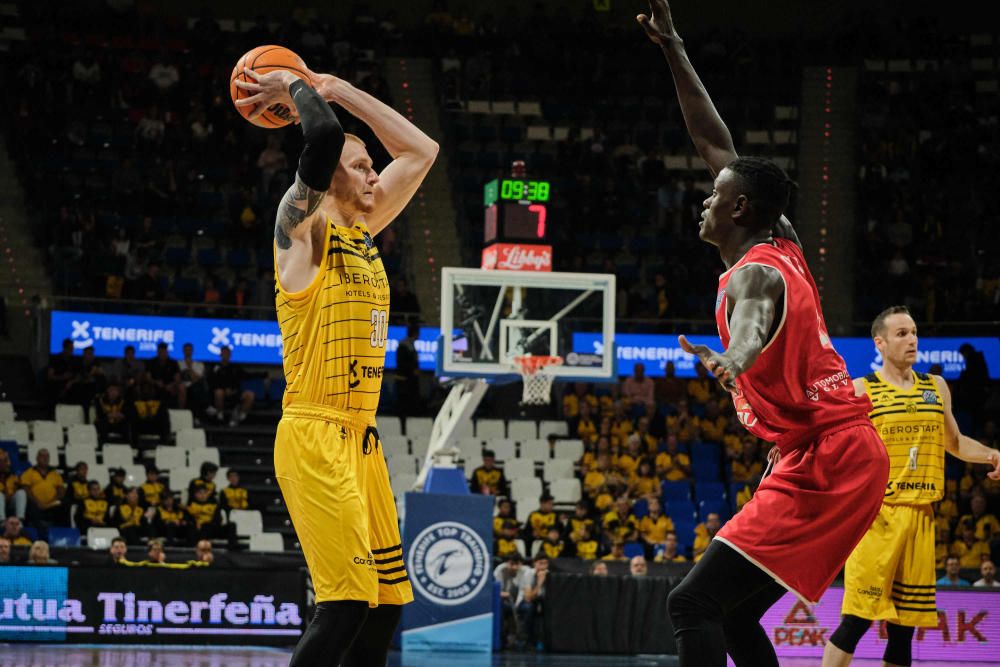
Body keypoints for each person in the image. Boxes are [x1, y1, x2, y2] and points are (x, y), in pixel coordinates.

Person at [637, 3, 890, 665]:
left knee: (689, 602)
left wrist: (733, 357)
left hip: (829, 458)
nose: (705, 197)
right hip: (837, 452)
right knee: (734, 615)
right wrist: (674, 49)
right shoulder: (783, 240)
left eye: (715, 195)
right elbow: (716, 144)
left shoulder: (753, 275)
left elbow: (751, 327)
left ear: (740, 208)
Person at [235, 60, 437, 667]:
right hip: (314, 431)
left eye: (373, 166)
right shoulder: (302, 231)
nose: (375, 174)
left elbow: (422, 150)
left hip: (362, 442)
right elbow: (323, 139)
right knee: (345, 603)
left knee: (385, 604)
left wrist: (341, 89)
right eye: (361, 166)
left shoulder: (363, 229)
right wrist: (301, 90)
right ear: (329, 181)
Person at [824, 306, 1000, 667]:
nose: (912, 339)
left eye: (914, 332)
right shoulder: (861, 390)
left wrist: (992, 455)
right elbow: (829, 444)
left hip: (921, 518)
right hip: (877, 520)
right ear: (880, 342)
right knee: (856, 621)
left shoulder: (936, 387)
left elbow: (955, 442)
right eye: (902, 333)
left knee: (904, 628)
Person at [205, 346, 256, 426]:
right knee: (219, 392)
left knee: (250, 395)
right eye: (224, 353)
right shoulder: (215, 368)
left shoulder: (235, 368)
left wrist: (265, 375)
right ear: (220, 355)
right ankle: (219, 415)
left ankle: (241, 417)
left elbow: (246, 375)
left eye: (227, 353)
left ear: (230, 355)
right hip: (220, 394)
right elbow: (211, 382)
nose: (225, 355)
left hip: (235, 393)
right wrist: (225, 389)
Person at [20, 449, 67, 525]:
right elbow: (26, 489)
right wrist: (37, 502)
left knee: (64, 504)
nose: (45, 458)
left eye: (47, 456)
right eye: (42, 456)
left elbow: (61, 490)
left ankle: (62, 532)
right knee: (30, 504)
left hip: (52, 504)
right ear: (37, 458)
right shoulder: (29, 472)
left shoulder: (55, 474)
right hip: (34, 504)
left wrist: (53, 501)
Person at [394, 322, 422, 416]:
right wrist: (412, 370)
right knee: (404, 404)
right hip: (404, 381)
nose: (419, 335)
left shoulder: (411, 345)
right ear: (414, 333)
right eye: (418, 332)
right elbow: (402, 363)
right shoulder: (403, 345)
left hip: (409, 380)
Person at [147, 342, 185, 408]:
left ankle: (180, 411)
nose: (162, 354)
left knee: (181, 387)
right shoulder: (151, 362)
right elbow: (148, 377)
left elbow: (177, 378)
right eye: (160, 352)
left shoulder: (173, 363)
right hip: (154, 385)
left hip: (170, 386)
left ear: (167, 352)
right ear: (157, 352)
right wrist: (155, 382)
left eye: (164, 351)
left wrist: (172, 385)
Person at [0, 450, 27, 522]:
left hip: (11, 503)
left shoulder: (13, 476)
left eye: (7, 461)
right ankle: (1, 522)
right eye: (4, 461)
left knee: (21, 492)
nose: (7, 464)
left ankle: (19, 521)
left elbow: (19, 489)